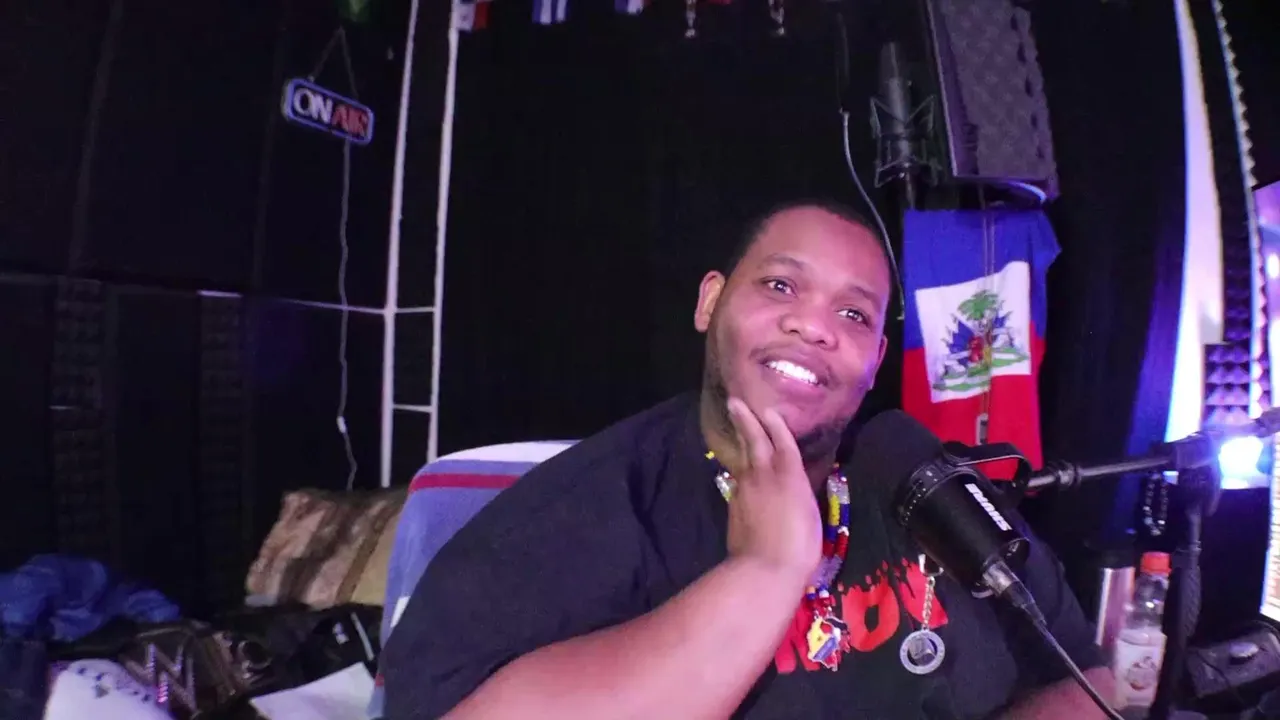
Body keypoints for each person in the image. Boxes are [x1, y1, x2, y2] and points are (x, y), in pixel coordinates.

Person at [381, 201, 1114, 719]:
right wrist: (766, 570)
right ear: (710, 303)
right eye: (780, 285)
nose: (813, 326)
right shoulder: (579, 517)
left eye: (854, 314)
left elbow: (1082, 680)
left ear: (875, 360)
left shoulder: (913, 472)